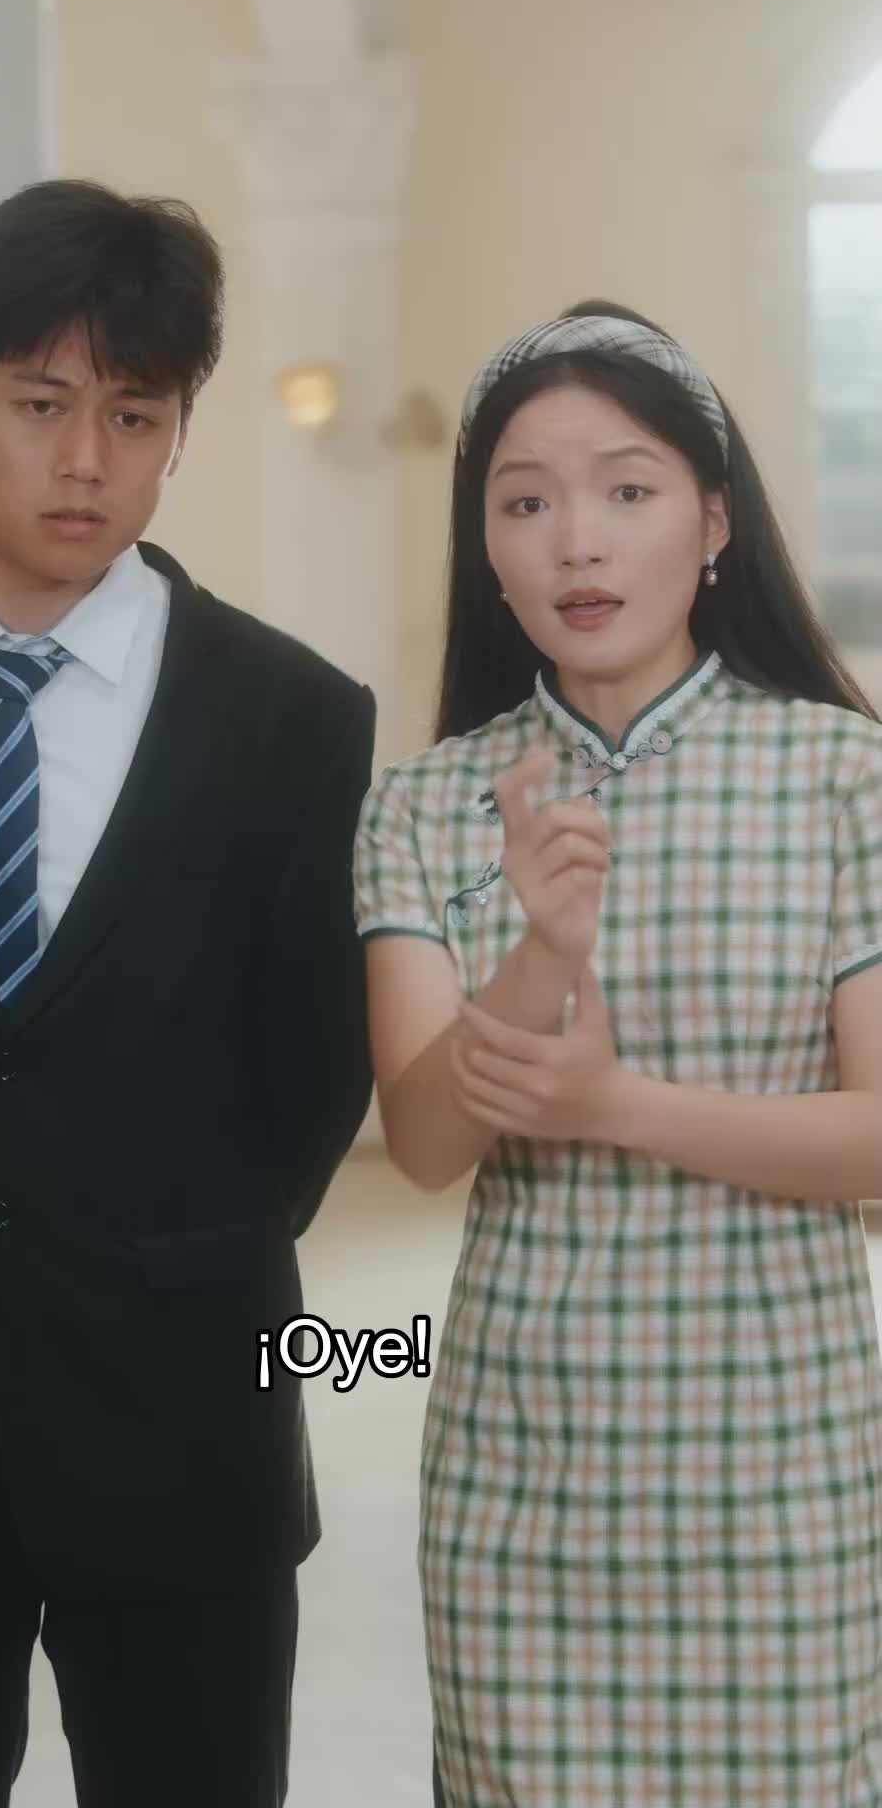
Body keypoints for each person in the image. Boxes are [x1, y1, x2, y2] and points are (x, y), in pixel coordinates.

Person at [0, 178, 376, 1807]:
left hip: (182, 1414)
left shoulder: (293, 720)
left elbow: (306, 1085)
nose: (85, 461)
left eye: (134, 416)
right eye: (41, 403)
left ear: (177, 435)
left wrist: (146, 1253)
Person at [353, 301, 882, 1806]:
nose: (576, 542)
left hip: (781, 1475)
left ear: (713, 522)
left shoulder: (844, 779)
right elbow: (427, 1144)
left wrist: (616, 1103)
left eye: (627, 490)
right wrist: (541, 957)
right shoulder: (423, 804)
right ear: (487, 549)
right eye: (525, 504)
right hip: (524, 1479)